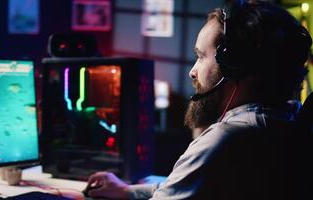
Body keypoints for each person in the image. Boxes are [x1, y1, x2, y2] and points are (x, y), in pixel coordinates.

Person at [84, 0, 313, 199]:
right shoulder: (287, 120)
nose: (192, 71)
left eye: (201, 57)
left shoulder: (226, 139)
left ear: (234, 65)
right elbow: (178, 187)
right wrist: (127, 191)